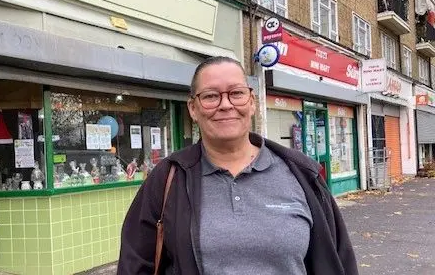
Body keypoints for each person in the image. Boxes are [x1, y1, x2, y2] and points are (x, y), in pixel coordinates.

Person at [118, 56, 358, 275]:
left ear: (251, 102)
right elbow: (135, 265)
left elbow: (339, 261)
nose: (225, 105)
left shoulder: (303, 174)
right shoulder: (169, 177)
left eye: (236, 93)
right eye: (211, 96)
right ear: (193, 108)